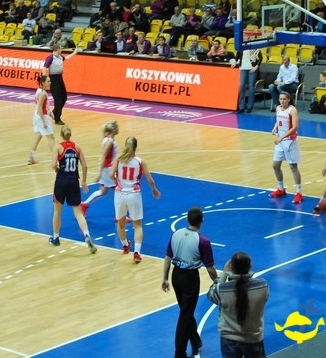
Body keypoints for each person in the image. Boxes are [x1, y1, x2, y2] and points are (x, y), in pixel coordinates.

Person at [161, 206, 218, 358]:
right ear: (202, 221)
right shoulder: (203, 241)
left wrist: (165, 278)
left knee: (186, 311)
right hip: (190, 279)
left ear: (187, 219)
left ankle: (195, 341)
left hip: (176, 276)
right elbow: (211, 268)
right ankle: (179, 353)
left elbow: (167, 258)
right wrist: (218, 282)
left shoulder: (176, 234)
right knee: (185, 315)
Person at [207, 252, 269, 358]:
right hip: (253, 338)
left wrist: (224, 274)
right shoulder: (262, 285)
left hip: (229, 340)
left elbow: (210, 295)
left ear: (231, 268)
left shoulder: (221, 289)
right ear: (249, 267)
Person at [111, 136, 161, 263]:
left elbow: (111, 175)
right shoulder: (140, 162)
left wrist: (117, 182)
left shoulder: (118, 159)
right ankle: (137, 252)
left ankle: (125, 245)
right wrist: (154, 189)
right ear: (135, 147)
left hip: (120, 193)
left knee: (120, 223)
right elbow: (150, 180)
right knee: (137, 225)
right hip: (134, 194)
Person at [48, 126, 96, 254]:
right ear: (70, 134)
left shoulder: (58, 147)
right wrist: (84, 181)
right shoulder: (77, 147)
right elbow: (85, 165)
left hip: (62, 181)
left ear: (61, 135)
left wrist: (57, 169)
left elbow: (53, 165)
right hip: (74, 181)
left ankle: (56, 237)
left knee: (57, 211)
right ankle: (87, 236)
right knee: (78, 212)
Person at [269, 91, 303, 205]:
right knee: (275, 165)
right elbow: (279, 121)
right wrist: (275, 128)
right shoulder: (278, 108)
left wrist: (281, 137)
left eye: (284, 99)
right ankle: (281, 189)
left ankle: (299, 192)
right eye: (280, 99)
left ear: (288, 99)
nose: (282, 101)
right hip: (281, 141)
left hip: (290, 141)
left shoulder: (292, 110)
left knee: (293, 167)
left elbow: (295, 127)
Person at [80, 120, 119, 215]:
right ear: (113, 130)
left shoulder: (107, 140)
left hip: (107, 169)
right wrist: (99, 174)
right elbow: (103, 157)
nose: (118, 129)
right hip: (108, 170)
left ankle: (84, 204)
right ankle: (119, 216)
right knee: (119, 192)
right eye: (117, 128)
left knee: (103, 191)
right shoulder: (109, 142)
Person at [43, 45, 78, 125]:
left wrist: (74, 53)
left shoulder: (60, 57)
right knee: (58, 100)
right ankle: (57, 118)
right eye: (60, 48)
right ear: (57, 49)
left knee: (64, 97)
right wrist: (45, 79)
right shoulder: (50, 57)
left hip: (60, 78)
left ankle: (54, 112)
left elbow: (67, 58)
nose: (62, 50)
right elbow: (44, 67)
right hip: (53, 79)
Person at [28, 75, 55, 165]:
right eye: (48, 81)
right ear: (43, 83)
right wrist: (44, 121)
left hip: (36, 117)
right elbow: (40, 107)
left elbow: (43, 106)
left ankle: (31, 157)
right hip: (41, 117)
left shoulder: (39, 90)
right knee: (51, 138)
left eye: (50, 81)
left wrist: (50, 112)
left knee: (37, 137)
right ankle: (55, 160)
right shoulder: (43, 94)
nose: (50, 82)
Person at [235, 49, 260, 113]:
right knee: (241, 86)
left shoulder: (255, 48)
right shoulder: (241, 48)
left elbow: (260, 58)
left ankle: (249, 106)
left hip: (252, 68)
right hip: (243, 68)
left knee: (251, 87)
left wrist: (256, 67)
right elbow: (237, 57)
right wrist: (235, 63)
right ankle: (241, 107)